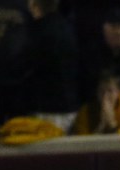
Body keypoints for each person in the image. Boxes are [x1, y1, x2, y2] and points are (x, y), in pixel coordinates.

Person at [24, 0, 79, 133]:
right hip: (70, 107)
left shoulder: (37, 34)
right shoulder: (67, 27)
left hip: (47, 111)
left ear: (34, 5)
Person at [73, 68, 120, 135]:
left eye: (110, 91)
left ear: (118, 92)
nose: (105, 96)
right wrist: (101, 126)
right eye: (101, 91)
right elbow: (82, 144)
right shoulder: (86, 111)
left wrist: (112, 125)